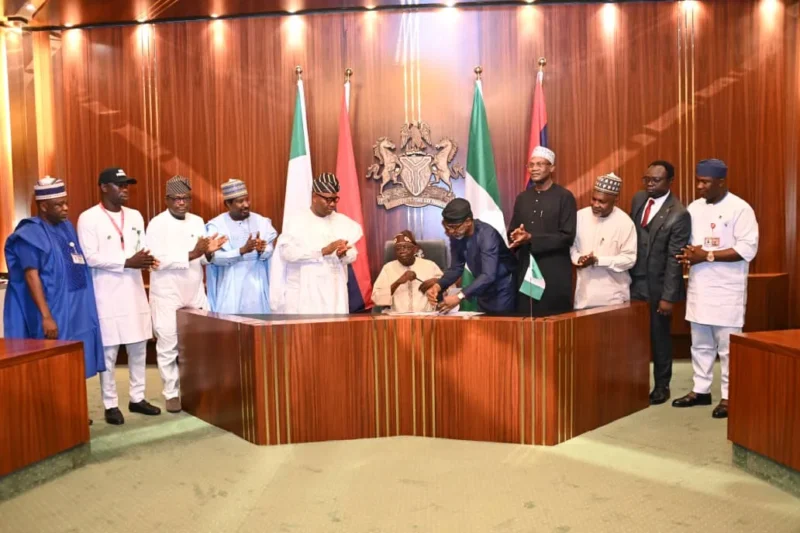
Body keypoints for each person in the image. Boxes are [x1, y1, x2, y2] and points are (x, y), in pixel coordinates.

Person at [3, 178, 106, 398]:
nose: (66, 208)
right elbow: (31, 276)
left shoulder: (66, 226)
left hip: (76, 307)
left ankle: (73, 407)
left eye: (66, 202)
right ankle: (55, 414)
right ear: (43, 206)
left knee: (75, 358)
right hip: (53, 308)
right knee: (53, 361)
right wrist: (46, 316)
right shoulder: (29, 234)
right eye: (59, 204)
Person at [673, 159, 758, 419]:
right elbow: (690, 245)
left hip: (726, 289)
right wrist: (688, 254)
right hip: (700, 288)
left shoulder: (740, 209)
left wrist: (706, 255)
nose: (699, 186)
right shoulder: (695, 208)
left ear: (721, 182)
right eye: (698, 180)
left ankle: (730, 397)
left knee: (728, 348)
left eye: (705, 182)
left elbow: (747, 250)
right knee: (699, 344)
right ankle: (700, 390)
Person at [77, 167, 161, 425]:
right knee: (110, 352)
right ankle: (110, 404)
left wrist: (147, 259)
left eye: (127, 185)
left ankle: (137, 398)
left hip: (134, 291)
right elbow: (89, 257)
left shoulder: (135, 216)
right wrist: (126, 262)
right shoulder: (88, 218)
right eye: (119, 185)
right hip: (106, 293)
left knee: (138, 348)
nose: (125, 190)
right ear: (104, 187)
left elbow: (141, 247)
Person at [145, 176, 227, 413]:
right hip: (167, 291)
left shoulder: (197, 221)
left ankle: (199, 388)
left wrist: (209, 254)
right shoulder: (157, 224)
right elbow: (156, 261)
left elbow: (201, 257)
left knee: (201, 341)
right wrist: (193, 254)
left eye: (186, 198)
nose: (181, 203)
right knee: (168, 343)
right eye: (176, 199)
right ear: (167, 200)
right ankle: (171, 393)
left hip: (194, 289)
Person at [630, 161, 691, 405]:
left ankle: (662, 385)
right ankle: (633, 383)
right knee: (633, 335)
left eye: (656, 180)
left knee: (659, 337)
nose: (650, 185)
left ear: (670, 182)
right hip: (634, 280)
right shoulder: (637, 199)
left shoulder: (679, 213)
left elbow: (675, 260)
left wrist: (668, 297)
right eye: (647, 179)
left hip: (659, 285)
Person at [278, 173, 364, 314]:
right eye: (328, 199)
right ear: (314, 197)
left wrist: (344, 254)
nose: (332, 204)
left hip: (336, 289)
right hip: (309, 291)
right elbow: (288, 253)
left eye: (335, 199)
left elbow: (352, 254)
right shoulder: (296, 221)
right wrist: (322, 251)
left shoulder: (343, 222)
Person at [508, 146, 577, 316]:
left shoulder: (564, 197)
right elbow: (513, 229)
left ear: (551, 168)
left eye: (540, 164)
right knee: (528, 319)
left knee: (553, 321)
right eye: (531, 165)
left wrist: (532, 238)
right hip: (526, 269)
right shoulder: (522, 198)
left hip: (553, 270)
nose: (534, 168)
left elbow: (567, 236)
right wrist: (515, 236)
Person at [425, 198, 517, 314]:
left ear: (468, 221)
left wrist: (459, 296)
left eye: (454, 227)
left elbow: (489, 275)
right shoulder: (457, 235)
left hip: (503, 289)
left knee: (499, 328)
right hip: (483, 290)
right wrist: (438, 285)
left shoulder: (487, 235)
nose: (451, 232)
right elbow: (456, 268)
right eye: (448, 228)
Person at [205, 179, 278, 314]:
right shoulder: (216, 226)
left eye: (247, 200)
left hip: (257, 282)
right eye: (240, 201)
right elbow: (215, 259)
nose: (246, 205)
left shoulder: (261, 221)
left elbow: (270, 250)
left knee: (258, 327)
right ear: (227, 204)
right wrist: (241, 251)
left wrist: (262, 250)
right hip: (230, 284)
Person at [570, 172, 637, 309]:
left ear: (615, 200)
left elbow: (629, 259)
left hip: (613, 298)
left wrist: (598, 261)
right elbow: (572, 247)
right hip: (583, 297)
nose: (595, 204)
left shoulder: (625, 223)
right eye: (594, 199)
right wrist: (579, 259)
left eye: (602, 201)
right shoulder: (580, 216)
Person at [372, 231, 443, 312]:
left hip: (425, 317)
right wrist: (398, 282)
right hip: (397, 319)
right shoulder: (388, 268)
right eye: (398, 248)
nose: (402, 251)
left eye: (406, 247)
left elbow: (450, 288)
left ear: (415, 249)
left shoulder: (430, 265)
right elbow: (377, 299)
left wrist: (437, 281)